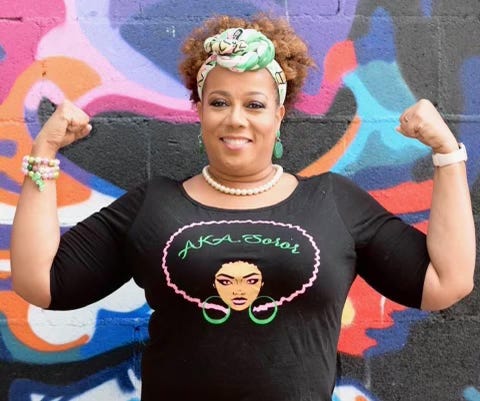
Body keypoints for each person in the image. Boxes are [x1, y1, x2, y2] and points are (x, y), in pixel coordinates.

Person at [10, 13, 475, 401]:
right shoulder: (154, 205)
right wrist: (44, 153)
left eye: (254, 104)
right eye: (219, 102)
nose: (235, 119)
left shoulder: (333, 201)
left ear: (279, 115)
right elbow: (39, 282)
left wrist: (447, 155)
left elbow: (446, 283)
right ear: (200, 111)